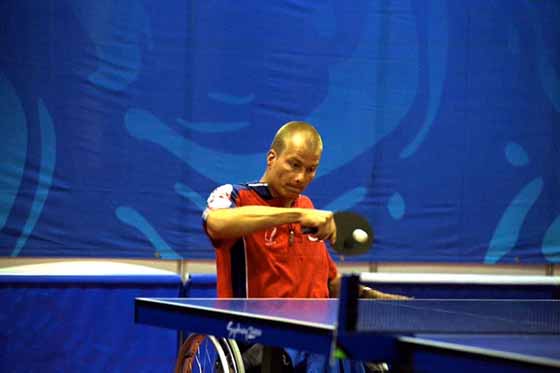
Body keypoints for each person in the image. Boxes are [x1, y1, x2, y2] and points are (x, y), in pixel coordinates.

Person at [202, 121, 405, 370]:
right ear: (271, 157)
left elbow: (330, 283)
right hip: (256, 339)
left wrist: (387, 302)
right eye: (294, 164)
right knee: (327, 348)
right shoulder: (235, 196)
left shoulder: (307, 206)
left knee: (372, 349)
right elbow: (215, 223)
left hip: (313, 337)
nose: (301, 177)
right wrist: (295, 216)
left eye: (311, 169)